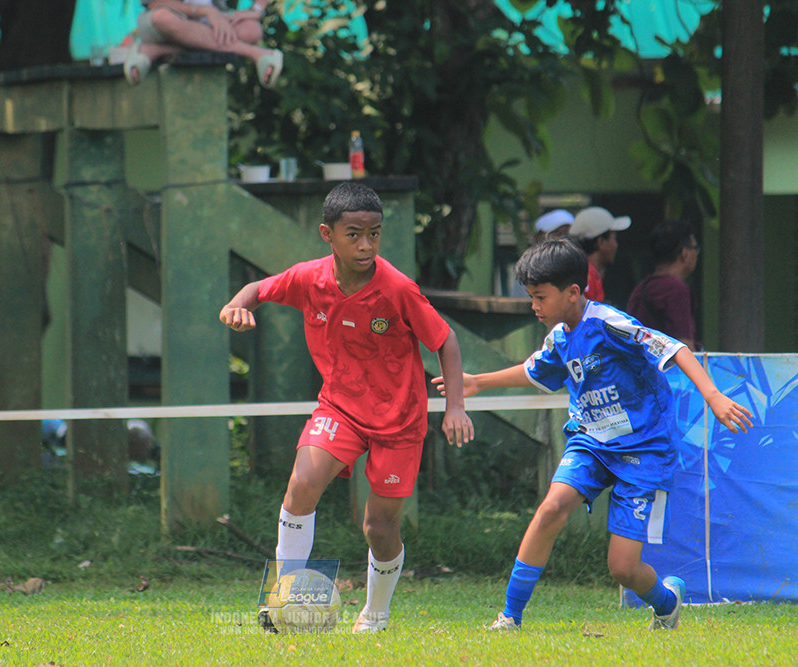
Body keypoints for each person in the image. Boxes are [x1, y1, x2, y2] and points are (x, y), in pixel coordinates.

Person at [434, 238, 752, 631]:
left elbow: (675, 349)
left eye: (539, 297)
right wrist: (478, 382)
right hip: (591, 440)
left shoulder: (609, 324)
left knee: (622, 568)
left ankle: (667, 601)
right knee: (551, 508)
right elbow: (533, 369)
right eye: (530, 297)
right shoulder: (561, 337)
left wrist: (714, 397)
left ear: (572, 292)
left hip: (645, 450)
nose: (534, 306)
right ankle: (510, 617)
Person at [220, 182, 473, 633]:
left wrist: (454, 406)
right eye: (353, 234)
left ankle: (375, 613)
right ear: (327, 234)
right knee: (303, 483)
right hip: (340, 409)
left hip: (400, 420)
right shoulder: (308, 279)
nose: (365, 245)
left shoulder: (396, 288)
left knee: (378, 527)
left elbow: (445, 340)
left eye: (374, 234)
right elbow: (259, 287)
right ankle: (285, 599)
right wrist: (238, 304)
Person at [122, 0, 284, 89]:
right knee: (163, 18)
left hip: (210, 25)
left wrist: (256, 9)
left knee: (251, 30)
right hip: (168, 21)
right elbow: (156, 4)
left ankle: (156, 50)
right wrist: (205, 11)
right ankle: (253, 52)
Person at [626, 221, 700, 351]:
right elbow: (685, 346)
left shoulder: (641, 288)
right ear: (685, 253)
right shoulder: (676, 289)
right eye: (695, 248)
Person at [569, 206, 631, 302]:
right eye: (613, 239)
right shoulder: (585, 278)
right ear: (600, 242)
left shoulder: (588, 273)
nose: (616, 245)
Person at [510, 209, 574, 297]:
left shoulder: (576, 265)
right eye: (557, 233)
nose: (564, 239)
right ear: (537, 238)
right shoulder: (529, 268)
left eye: (567, 234)